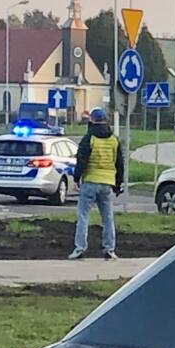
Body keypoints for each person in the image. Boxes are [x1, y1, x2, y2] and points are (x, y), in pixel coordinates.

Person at [69, 107, 124, 260]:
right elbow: (119, 163)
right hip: (107, 183)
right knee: (107, 218)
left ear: (92, 120)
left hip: (90, 181)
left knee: (83, 216)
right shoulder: (114, 139)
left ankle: (80, 248)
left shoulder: (89, 138)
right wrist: (118, 185)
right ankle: (110, 249)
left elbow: (82, 160)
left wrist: (76, 178)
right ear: (106, 120)